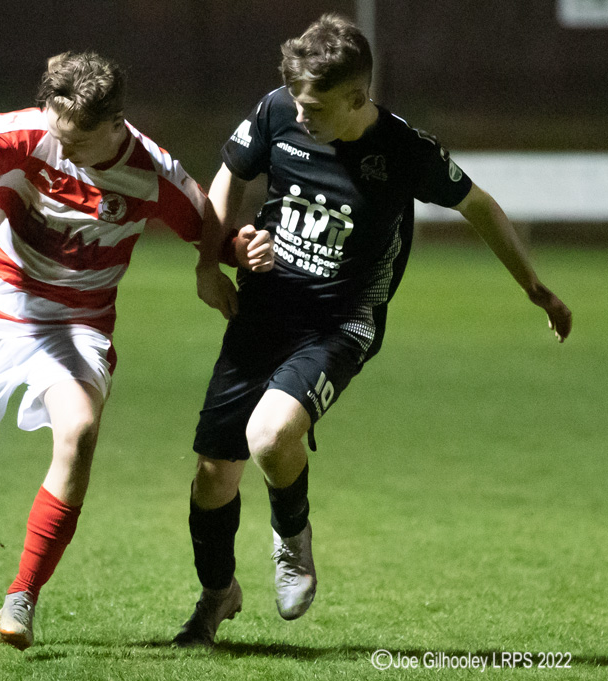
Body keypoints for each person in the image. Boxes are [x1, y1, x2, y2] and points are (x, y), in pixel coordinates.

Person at [173, 13, 573, 647]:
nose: (299, 115)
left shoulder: (403, 150)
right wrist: (208, 261)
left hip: (342, 323)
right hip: (263, 311)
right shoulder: (278, 109)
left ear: (357, 97)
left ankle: (291, 538)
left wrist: (534, 286)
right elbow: (231, 172)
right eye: (295, 101)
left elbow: (479, 205)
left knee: (270, 435)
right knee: (213, 476)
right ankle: (218, 594)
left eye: (314, 107)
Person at [0, 50, 250, 651]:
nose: (61, 147)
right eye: (56, 133)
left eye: (76, 141)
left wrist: (241, 251)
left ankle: (22, 597)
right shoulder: (29, 132)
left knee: (80, 430)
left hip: (76, 323)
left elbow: (210, 229)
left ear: (115, 124)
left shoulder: (151, 172)